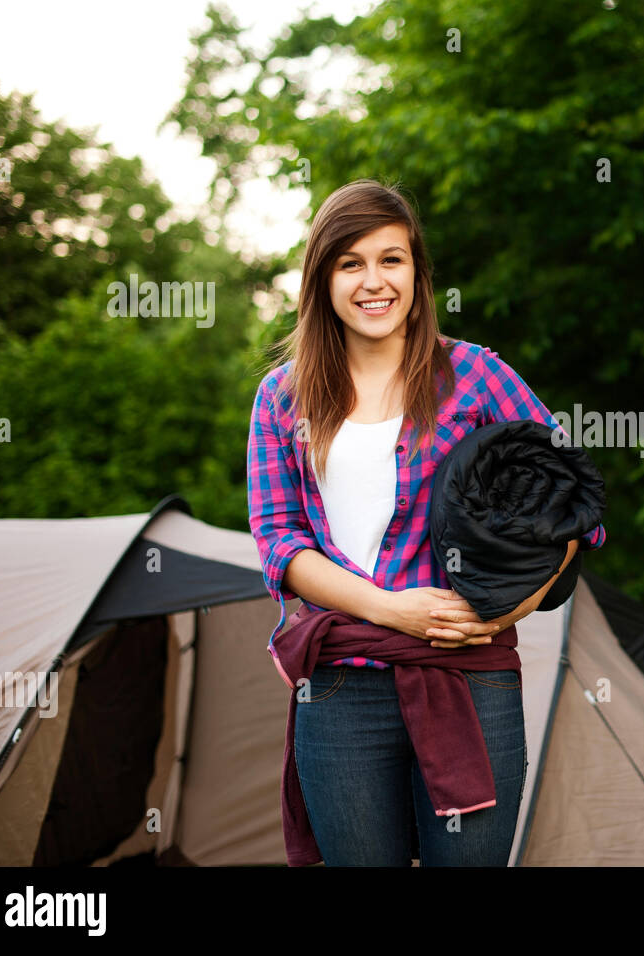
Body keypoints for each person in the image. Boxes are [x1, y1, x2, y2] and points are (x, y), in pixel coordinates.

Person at [246, 178, 606, 865]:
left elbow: (573, 506)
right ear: (321, 279)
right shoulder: (280, 396)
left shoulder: (475, 374)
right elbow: (280, 543)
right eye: (351, 263)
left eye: (392, 259)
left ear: (418, 272)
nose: (373, 281)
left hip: (470, 678)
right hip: (341, 683)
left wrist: (508, 610)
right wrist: (392, 610)